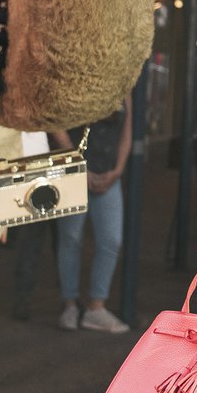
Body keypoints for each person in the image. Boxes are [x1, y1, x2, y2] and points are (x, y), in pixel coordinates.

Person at [54, 98, 132, 333]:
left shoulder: (123, 79)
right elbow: (54, 120)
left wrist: (119, 169)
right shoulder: (77, 72)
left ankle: (96, 307)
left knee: (111, 240)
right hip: (74, 170)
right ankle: (70, 303)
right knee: (70, 238)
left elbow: (128, 126)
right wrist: (76, 163)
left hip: (108, 170)